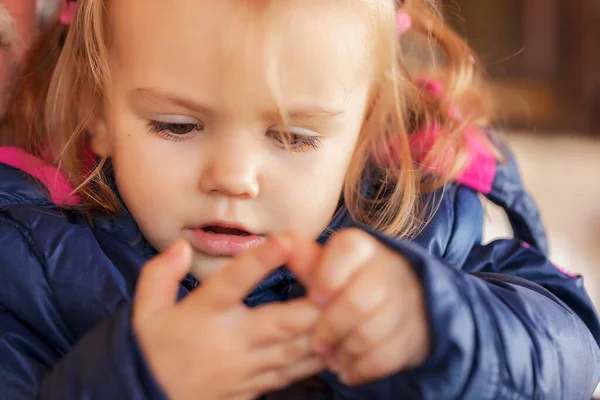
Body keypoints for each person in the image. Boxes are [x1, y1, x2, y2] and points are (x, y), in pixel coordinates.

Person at [0, 0, 599, 399]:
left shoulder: (420, 232)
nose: (235, 179)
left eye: (292, 135)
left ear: (364, 134)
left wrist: (436, 322)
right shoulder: (34, 270)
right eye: (177, 126)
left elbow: (571, 346)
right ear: (96, 113)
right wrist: (138, 379)